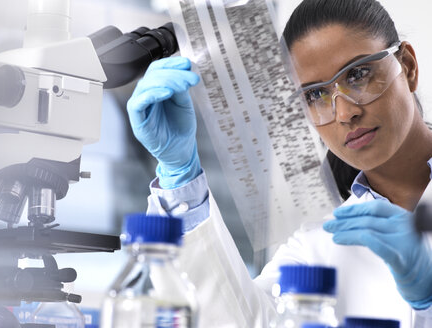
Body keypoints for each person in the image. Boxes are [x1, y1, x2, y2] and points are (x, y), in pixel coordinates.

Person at [125, 0, 432, 326]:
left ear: (408, 67)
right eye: (315, 95)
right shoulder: (319, 243)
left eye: (358, 74)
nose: (345, 113)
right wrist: (180, 178)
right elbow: (239, 320)